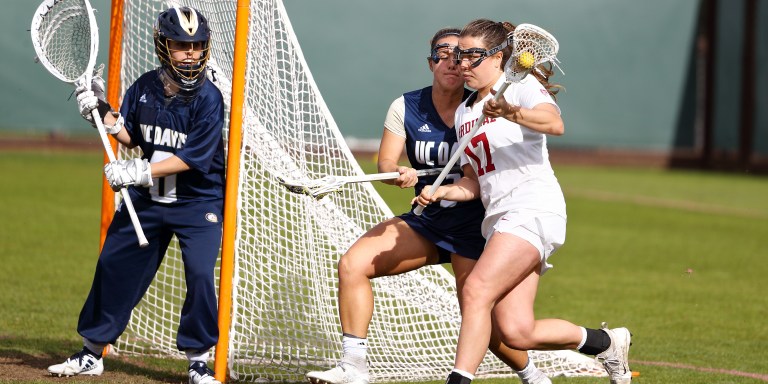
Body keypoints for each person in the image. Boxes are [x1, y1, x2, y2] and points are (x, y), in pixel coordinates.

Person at [305, 28, 550, 384]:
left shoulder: (479, 108)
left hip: (477, 227)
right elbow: (386, 164)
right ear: (430, 62)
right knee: (353, 264)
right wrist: (397, 174)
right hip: (429, 221)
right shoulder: (405, 106)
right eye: (442, 53)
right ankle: (353, 366)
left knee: (488, 324)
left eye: (460, 54)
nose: (452, 61)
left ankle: (533, 376)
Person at [415, 19, 633, 384]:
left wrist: (511, 112)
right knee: (516, 331)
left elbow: (554, 124)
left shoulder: (521, 87)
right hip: (498, 218)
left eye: (472, 55)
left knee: (476, 290)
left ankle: (459, 380)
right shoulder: (466, 113)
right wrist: (443, 191)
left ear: (499, 57)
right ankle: (605, 342)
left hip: (533, 208)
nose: (463, 64)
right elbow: (473, 181)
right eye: (459, 56)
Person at [47, 6, 225, 384]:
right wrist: (102, 115)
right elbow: (133, 135)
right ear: (163, 46)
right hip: (147, 199)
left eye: (196, 45)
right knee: (113, 266)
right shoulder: (144, 86)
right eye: (181, 45)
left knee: (199, 274)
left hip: (198, 201)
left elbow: (194, 158)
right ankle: (92, 353)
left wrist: (139, 170)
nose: (190, 53)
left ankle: (198, 362)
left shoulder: (209, 98)